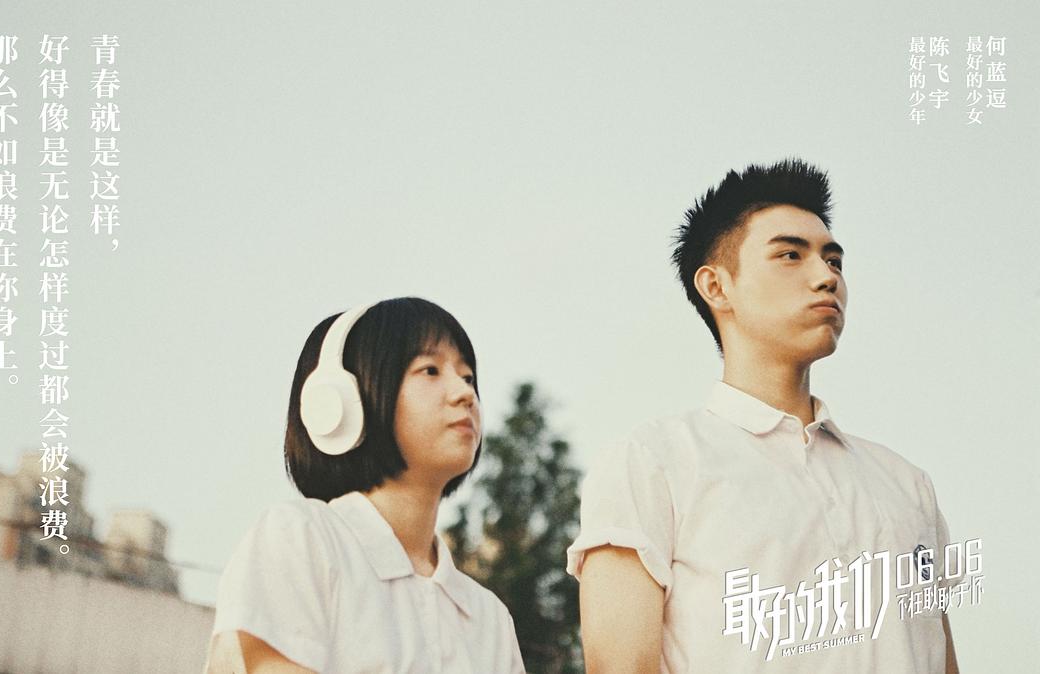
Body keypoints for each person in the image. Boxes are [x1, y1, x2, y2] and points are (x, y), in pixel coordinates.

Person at [566, 159, 961, 673]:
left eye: (834, 261)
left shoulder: (907, 485)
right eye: (790, 255)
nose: (826, 277)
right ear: (716, 286)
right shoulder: (652, 463)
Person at [205, 297, 525, 673]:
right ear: (345, 399)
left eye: (468, 377)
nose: (465, 393)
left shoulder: (490, 618)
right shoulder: (301, 538)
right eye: (430, 370)